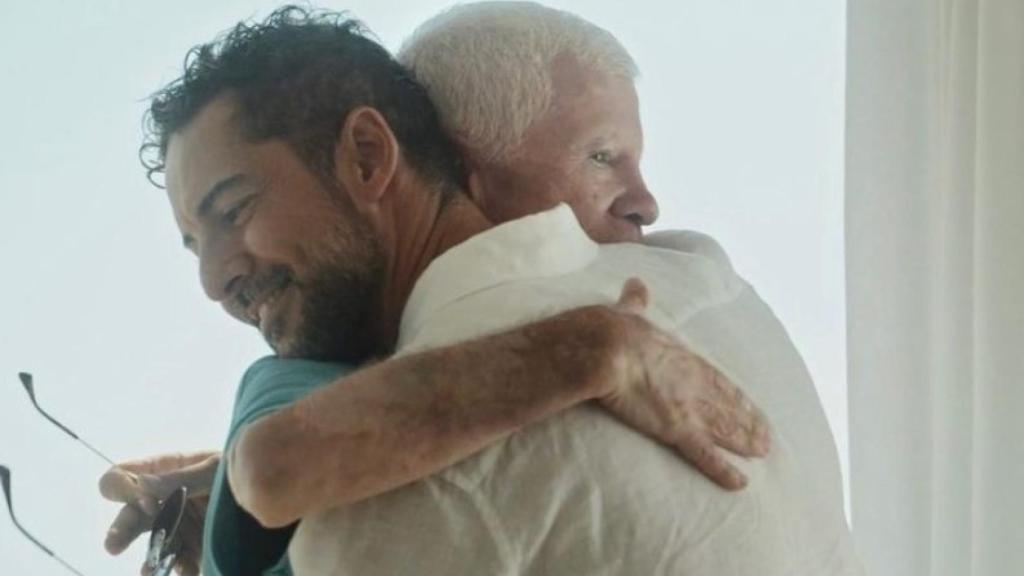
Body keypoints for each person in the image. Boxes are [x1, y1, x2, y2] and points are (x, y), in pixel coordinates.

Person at [104, 4, 861, 575]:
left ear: (369, 156)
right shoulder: (706, 278)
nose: (214, 281)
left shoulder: (384, 506)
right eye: (194, 246)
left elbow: (286, 470)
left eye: (234, 211)